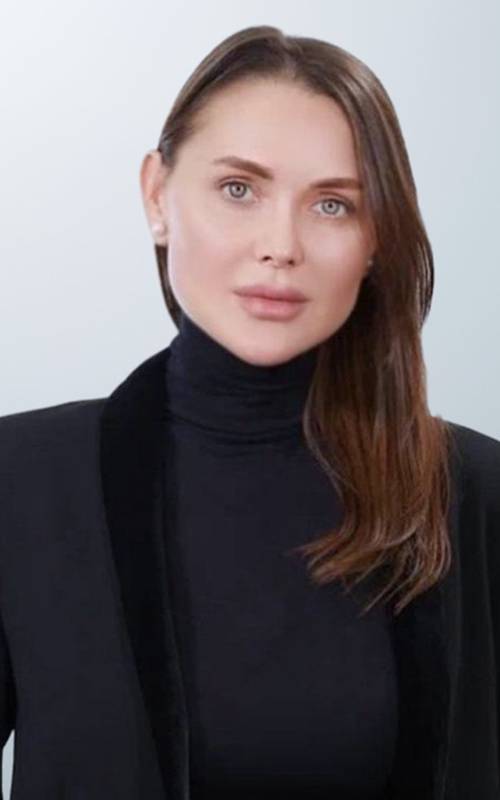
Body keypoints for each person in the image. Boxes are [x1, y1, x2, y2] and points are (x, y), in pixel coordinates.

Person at [0, 24, 499, 800]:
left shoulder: (475, 491)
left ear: (375, 241)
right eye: (239, 189)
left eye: (332, 205)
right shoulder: (22, 480)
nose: (280, 245)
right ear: (158, 197)